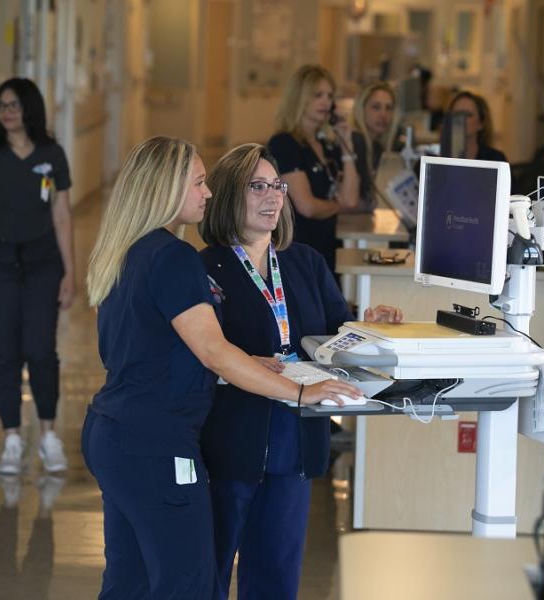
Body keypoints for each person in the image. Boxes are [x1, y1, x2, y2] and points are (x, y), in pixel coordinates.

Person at [82, 136, 361, 599]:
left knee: (130, 584)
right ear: (167, 190)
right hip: (158, 445)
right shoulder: (175, 258)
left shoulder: (129, 251)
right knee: (187, 584)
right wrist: (299, 392)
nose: (207, 193)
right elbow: (213, 351)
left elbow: (150, 348)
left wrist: (247, 361)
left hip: (114, 432)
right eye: (198, 182)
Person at [198, 143, 402, 600]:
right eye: (257, 187)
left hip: (295, 439)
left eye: (277, 186)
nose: (272, 197)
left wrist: (370, 322)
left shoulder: (304, 262)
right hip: (231, 439)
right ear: (230, 194)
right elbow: (201, 354)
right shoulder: (205, 269)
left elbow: (334, 331)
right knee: (206, 570)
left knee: (276, 575)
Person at [0, 78, 74, 476]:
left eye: (15, 105)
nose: (7, 111)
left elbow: (62, 216)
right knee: (4, 354)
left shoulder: (52, 154)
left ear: (30, 108)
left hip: (42, 262)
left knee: (40, 351)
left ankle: (48, 435)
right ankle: (13, 438)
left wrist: (70, 272)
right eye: (1, 105)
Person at [267, 64, 359, 275]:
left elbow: (351, 199)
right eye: (318, 95)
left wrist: (347, 146)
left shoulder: (326, 145)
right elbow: (307, 206)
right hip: (297, 251)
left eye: (329, 96)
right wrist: (339, 206)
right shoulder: (284, 143)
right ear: (300, 98)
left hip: (327, 248)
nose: (326, 102)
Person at [348, 81, 400, 213]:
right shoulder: (355, 142)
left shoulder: (377, 147)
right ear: (361, 109)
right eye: (376, 107)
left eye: (388, 108)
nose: (383, 114)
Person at [447, 91, 507, 162]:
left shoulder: (495, 159)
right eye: (456, 114)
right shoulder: (438, 155)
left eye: (468, 115)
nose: (460, 119)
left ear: (481, 123)